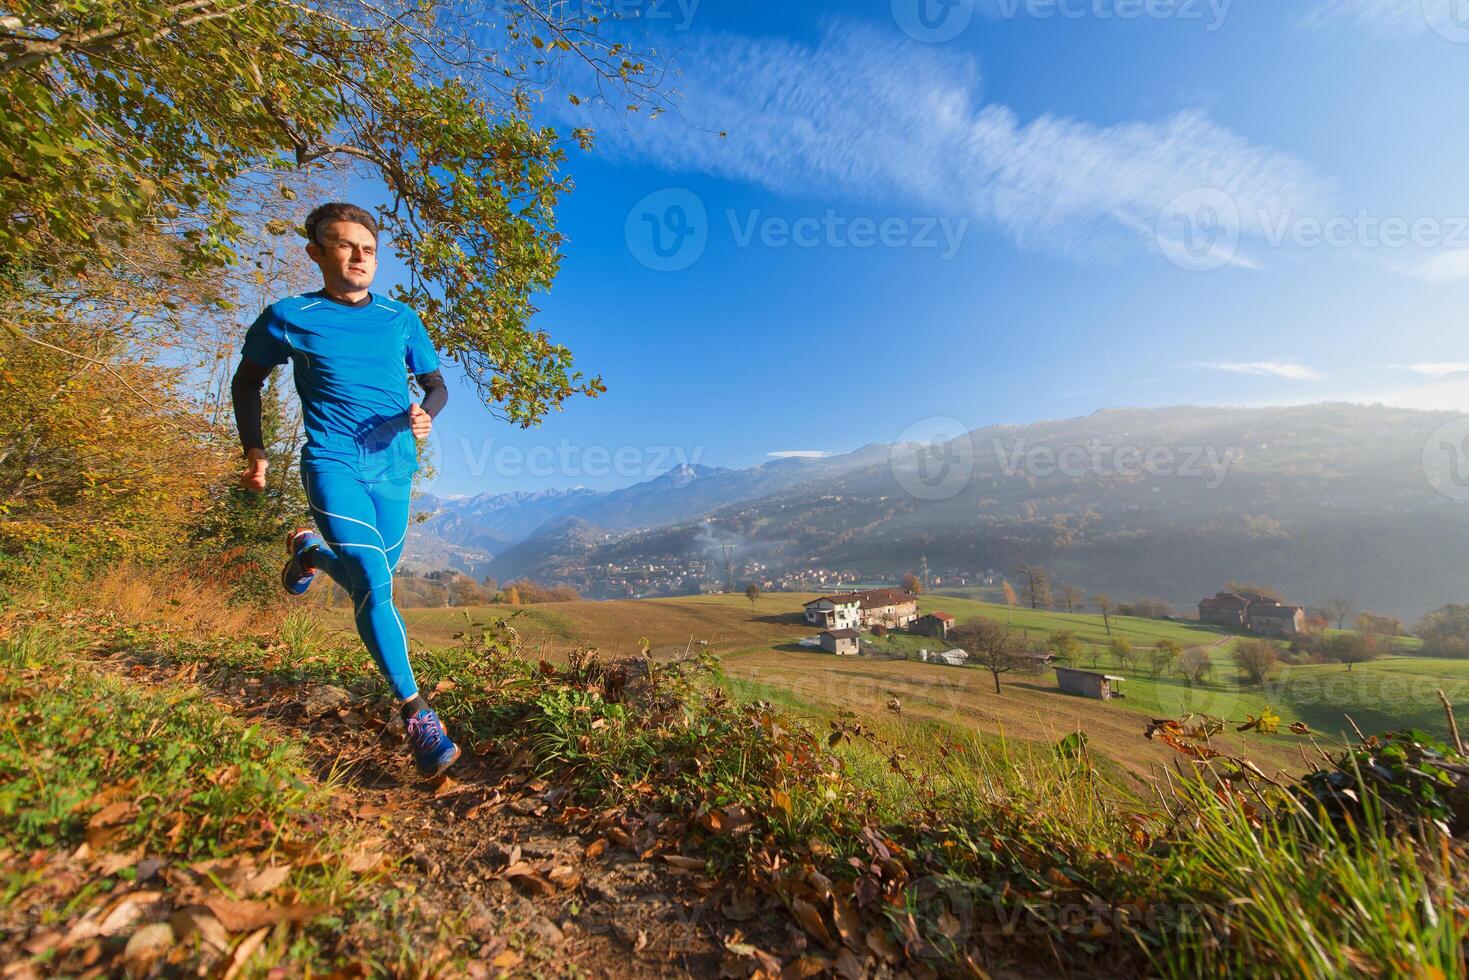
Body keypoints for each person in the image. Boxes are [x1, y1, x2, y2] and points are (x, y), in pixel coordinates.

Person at [231, 201, 460, 777]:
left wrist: (426, 413)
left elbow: (436, 385)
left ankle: (308, 551)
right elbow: (246, 382)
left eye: (368, 249)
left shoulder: (401, 318)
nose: (359, 257)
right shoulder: (290, 315)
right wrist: (253, 449)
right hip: (333, 461)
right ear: (317, 253)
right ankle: (417, 714)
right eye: (344, 245)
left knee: (368, 578)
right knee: (374, 579)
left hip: (395, 467)